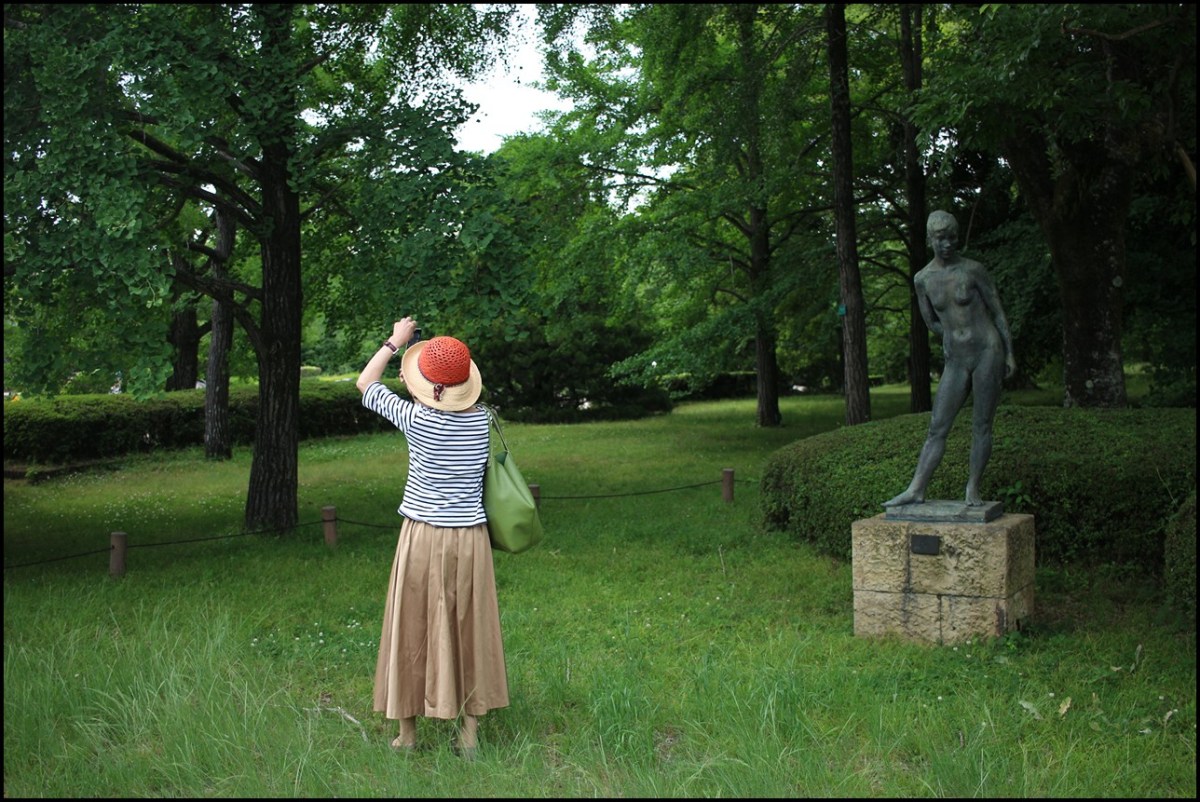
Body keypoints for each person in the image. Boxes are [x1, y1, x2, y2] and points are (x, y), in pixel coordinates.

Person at [356, 317, 508, 759]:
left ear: (426, 385)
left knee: (412, 625)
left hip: (422, 538)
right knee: (470, 627)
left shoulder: (416, 419)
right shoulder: (482, 421)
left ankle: (407, 734)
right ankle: (469, 735)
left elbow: (366, 383)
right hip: (471, 541)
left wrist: (395, 342)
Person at [884, 210, 1016, 508]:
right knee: (937, 425)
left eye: (952, 238)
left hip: (987, 350)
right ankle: (916, 488)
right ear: (930, 239)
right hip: (956, 358)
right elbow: (931, 320)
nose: (947, 244)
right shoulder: (922, 279)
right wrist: (948, 336)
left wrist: (1009, 352)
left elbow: (997, 310)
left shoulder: (973, 270)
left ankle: (973, 488)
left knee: (982, 424)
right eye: (941, 239)